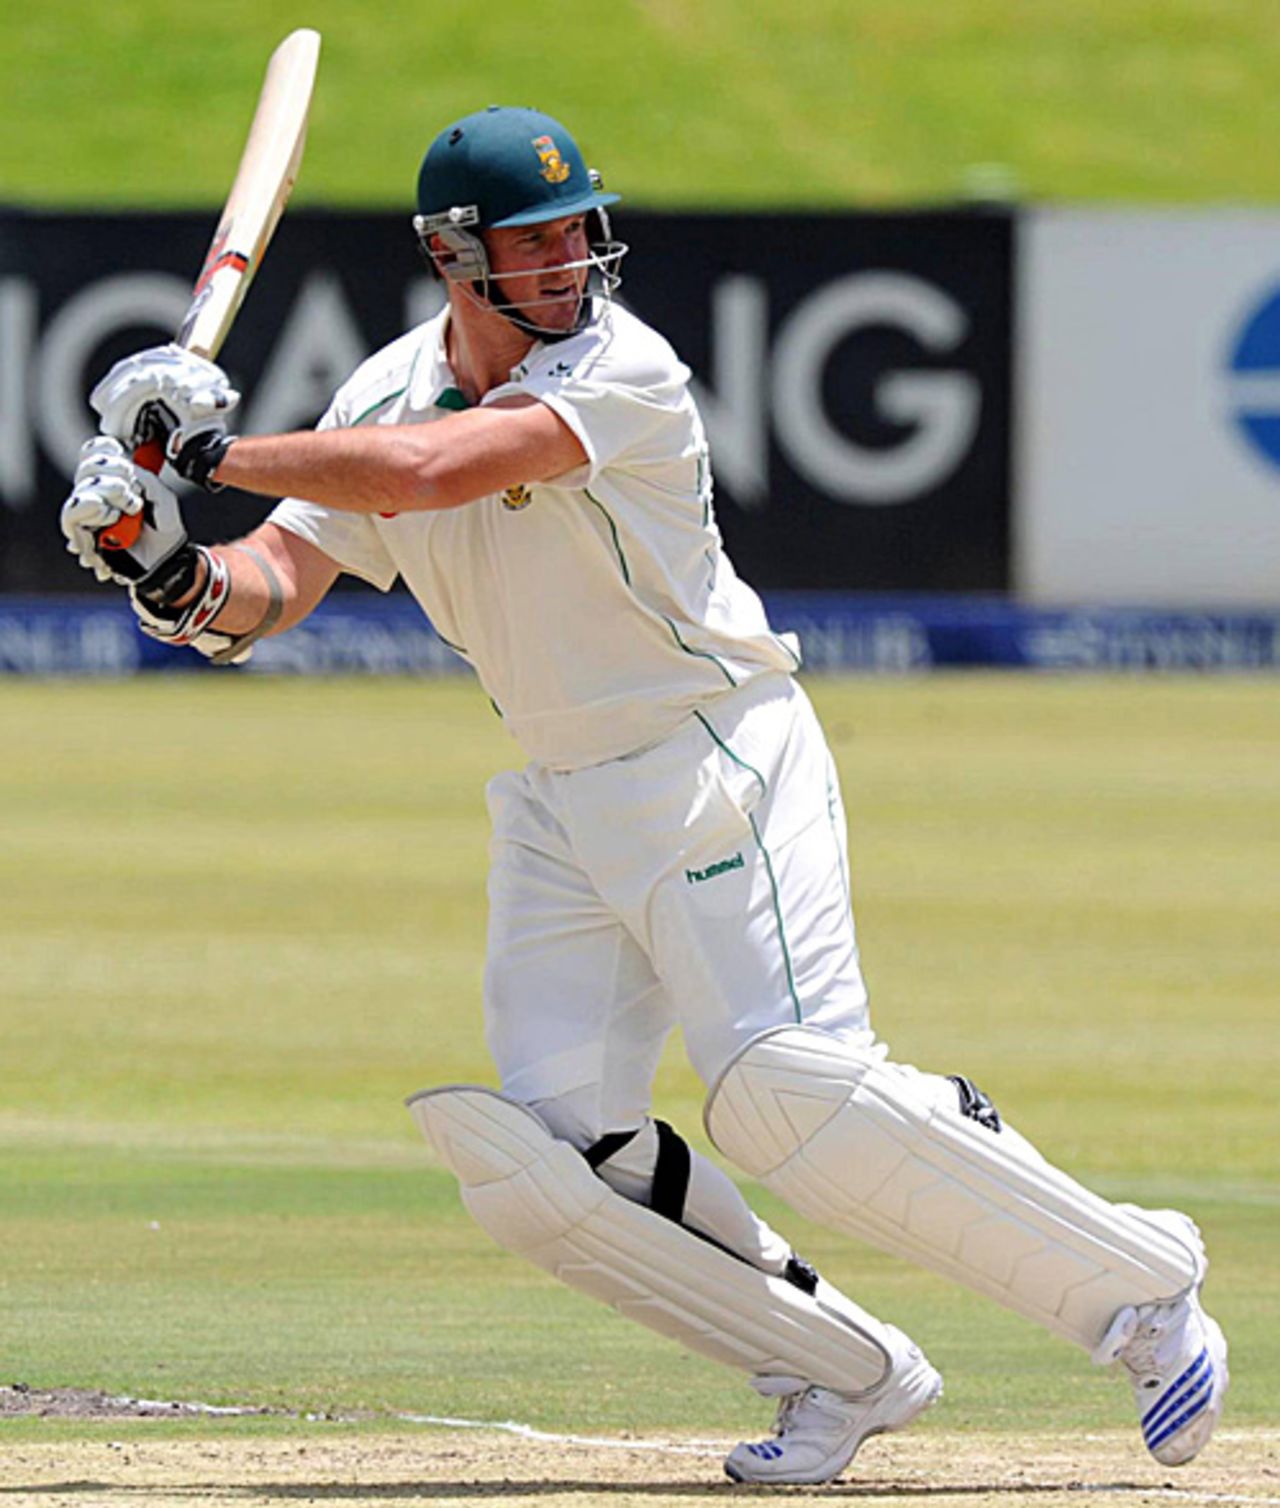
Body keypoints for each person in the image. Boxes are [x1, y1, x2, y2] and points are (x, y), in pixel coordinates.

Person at [61, 105, 1228, 1485]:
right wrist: (158, 560)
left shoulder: (626, 370)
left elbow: (437, 472)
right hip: (561, 799)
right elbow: (265, 593)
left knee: (791, 1094)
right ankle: (840, 1371)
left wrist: (198, 453)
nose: (568, 260)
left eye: (575, 231)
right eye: (533, 240)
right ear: (453, 255)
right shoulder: (374, 396)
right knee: (548, 1163)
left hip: (713, 757)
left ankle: (1143, 1292)